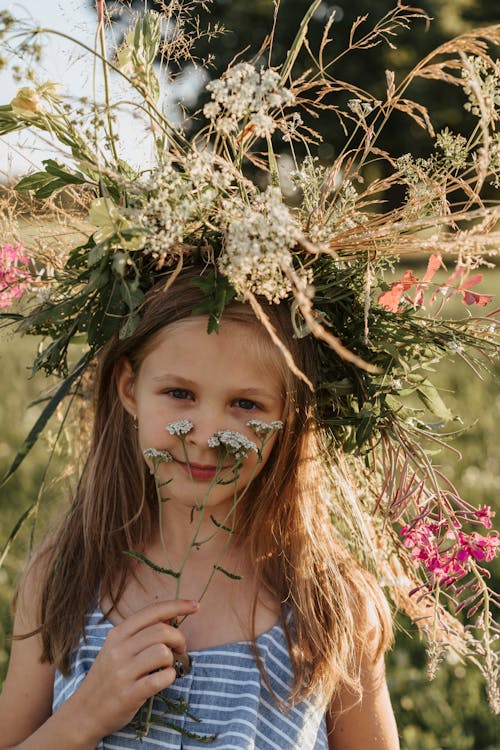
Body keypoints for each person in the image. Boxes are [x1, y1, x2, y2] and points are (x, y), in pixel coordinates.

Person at [0, 266, 399, 749]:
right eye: (179, 394)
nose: (207, 436)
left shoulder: (330, 604)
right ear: (130, 389)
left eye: (246, 405)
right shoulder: (64, 577)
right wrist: (85, 715)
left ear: (289, 414)